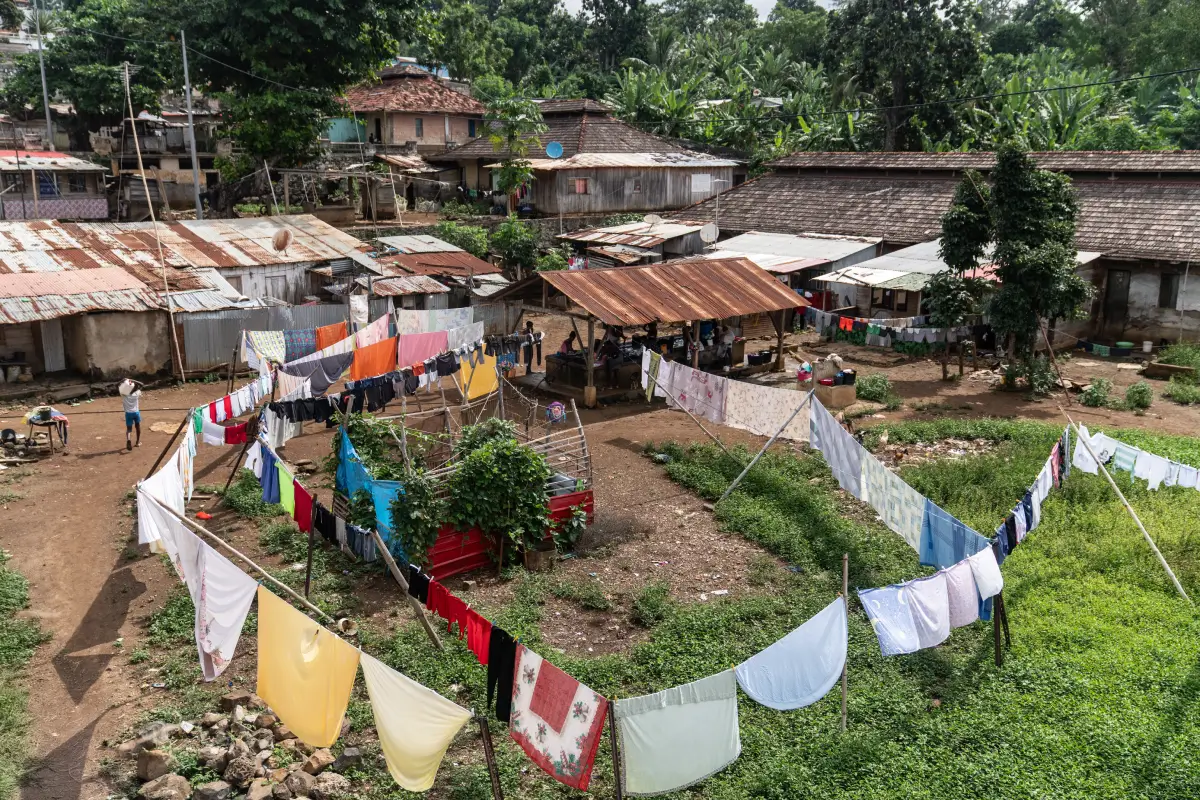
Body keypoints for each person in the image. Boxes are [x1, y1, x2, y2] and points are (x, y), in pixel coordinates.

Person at [121, 379, 143, 450]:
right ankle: (137, 442)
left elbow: (116, 386)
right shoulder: (137, 393)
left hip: (128, 414)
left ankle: (128, 440)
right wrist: (134, 381)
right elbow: (141, 384)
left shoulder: (124, 394)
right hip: (136, 413)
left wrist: (122, 380)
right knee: (138, 427)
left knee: (129, 429)